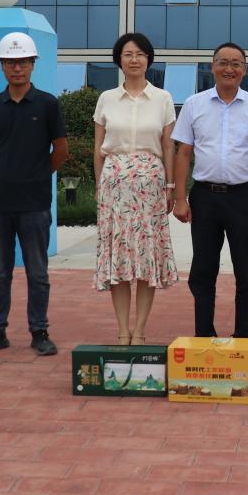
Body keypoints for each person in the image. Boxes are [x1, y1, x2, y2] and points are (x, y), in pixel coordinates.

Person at [0, 32, 68, 357]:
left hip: (35, 203)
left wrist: (35, 175)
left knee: (37, 272)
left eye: (23, 62)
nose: (17, 68)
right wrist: (4, 173)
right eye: (10, 63)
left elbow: (61, 150)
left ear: (33, 64)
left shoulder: (48, 104)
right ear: (1, 66)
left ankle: (39, 331)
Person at [172, 42, 248, 338]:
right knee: (203, 269)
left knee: (246, 270)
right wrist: (180, 199)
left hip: (244, 197)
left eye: (236, 63)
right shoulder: (194, 104)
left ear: (244, 69)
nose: (229, 69)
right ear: (212, 66)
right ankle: (204, 333)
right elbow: (183, 153)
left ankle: (244, 335)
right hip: (205, 197)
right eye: (223, 62)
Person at [92, 33, 179, 345]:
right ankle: (122, 330)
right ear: (119, 59)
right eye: (128, 54)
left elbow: (168, 146)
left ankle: (140, 330)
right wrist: (99, 185)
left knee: (145, 257)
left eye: (140, 54)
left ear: (148, 59)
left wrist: (170, 186)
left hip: (150, 184)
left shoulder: (162, 98)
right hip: (114, 183)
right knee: (118, 256)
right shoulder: (106, 98)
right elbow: (98, 148)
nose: (134, 59)